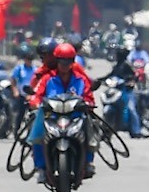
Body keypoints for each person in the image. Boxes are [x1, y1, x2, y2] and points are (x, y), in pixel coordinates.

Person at [26, 40, 97, 179]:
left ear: (73, 62)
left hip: (75, 116)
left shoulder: (80, 78)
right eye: (62, 62)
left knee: (91, 128)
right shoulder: (46, 77)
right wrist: (34, 102)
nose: (65, 66)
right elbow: (37, 94)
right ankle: (40, 167)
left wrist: (88, 104)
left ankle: (88, 162)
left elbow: (89, 96)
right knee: (37, 134)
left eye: (68, 62)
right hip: (51, 116)